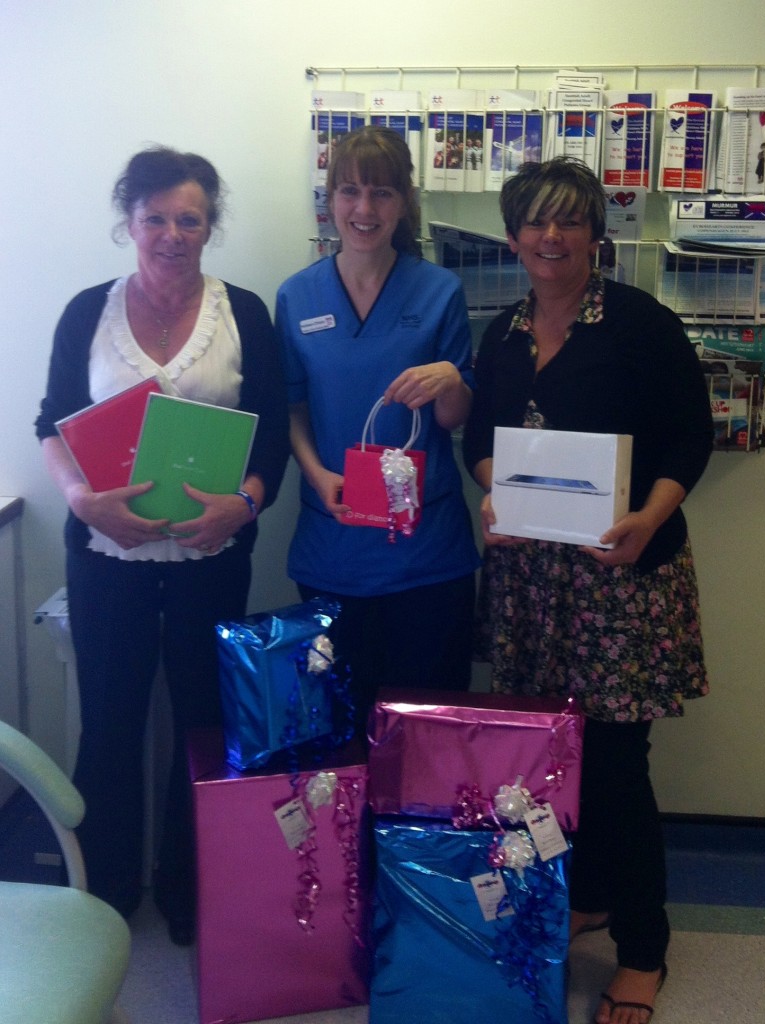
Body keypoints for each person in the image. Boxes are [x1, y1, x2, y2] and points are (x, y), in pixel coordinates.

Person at [461, 157, 713, 1024]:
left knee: (613, 767)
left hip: (620, 578)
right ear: (512, 237)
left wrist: (647, 518)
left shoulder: (638, 324)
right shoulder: (501, 334)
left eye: (569, 220)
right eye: (535, 221)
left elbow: (689, 437)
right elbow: (478, 445)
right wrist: (493, 492)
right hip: (533, 584)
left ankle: (642, 950)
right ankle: (592, 895)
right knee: (552, 760)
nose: (551, 236)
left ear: (595, 235)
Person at [35, 146, 290, 944]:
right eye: (156, 219)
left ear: (210, 226)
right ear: (129, 221)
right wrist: (81, 499)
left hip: (210, 560)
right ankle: (103, 888)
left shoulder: (245, 314)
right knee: (109, 723)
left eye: (190, 220)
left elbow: (272, 437)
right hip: (106, 559)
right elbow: (52, 424)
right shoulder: (88, 311)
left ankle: (189, 889)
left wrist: (243, 507)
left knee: (202, 723)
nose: (172, 235)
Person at [275, 125, 481, 729]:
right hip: (333, 547)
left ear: (404, 201)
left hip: (426, 556)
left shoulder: (440, 291)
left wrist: (451, 381)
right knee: (340, 734)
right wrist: (316, 474)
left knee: (427, 732)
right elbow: (291, 408)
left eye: (382, 193)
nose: (364, 209)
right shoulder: (297, 296)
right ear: (331, 198)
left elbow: (454, 418)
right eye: (350, 191)